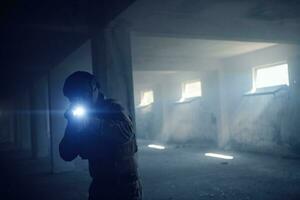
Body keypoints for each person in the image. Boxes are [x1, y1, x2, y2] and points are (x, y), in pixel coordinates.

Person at [59, 71, 142, 200]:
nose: (79, 100)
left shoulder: (113, 108)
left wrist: (91, 123)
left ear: (94, 89)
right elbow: (66, 154)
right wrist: (72, 129)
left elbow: (126, 133)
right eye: (74, 98)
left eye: (82, 95)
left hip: (124, 186)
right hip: (100, 185)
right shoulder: (78, 116)